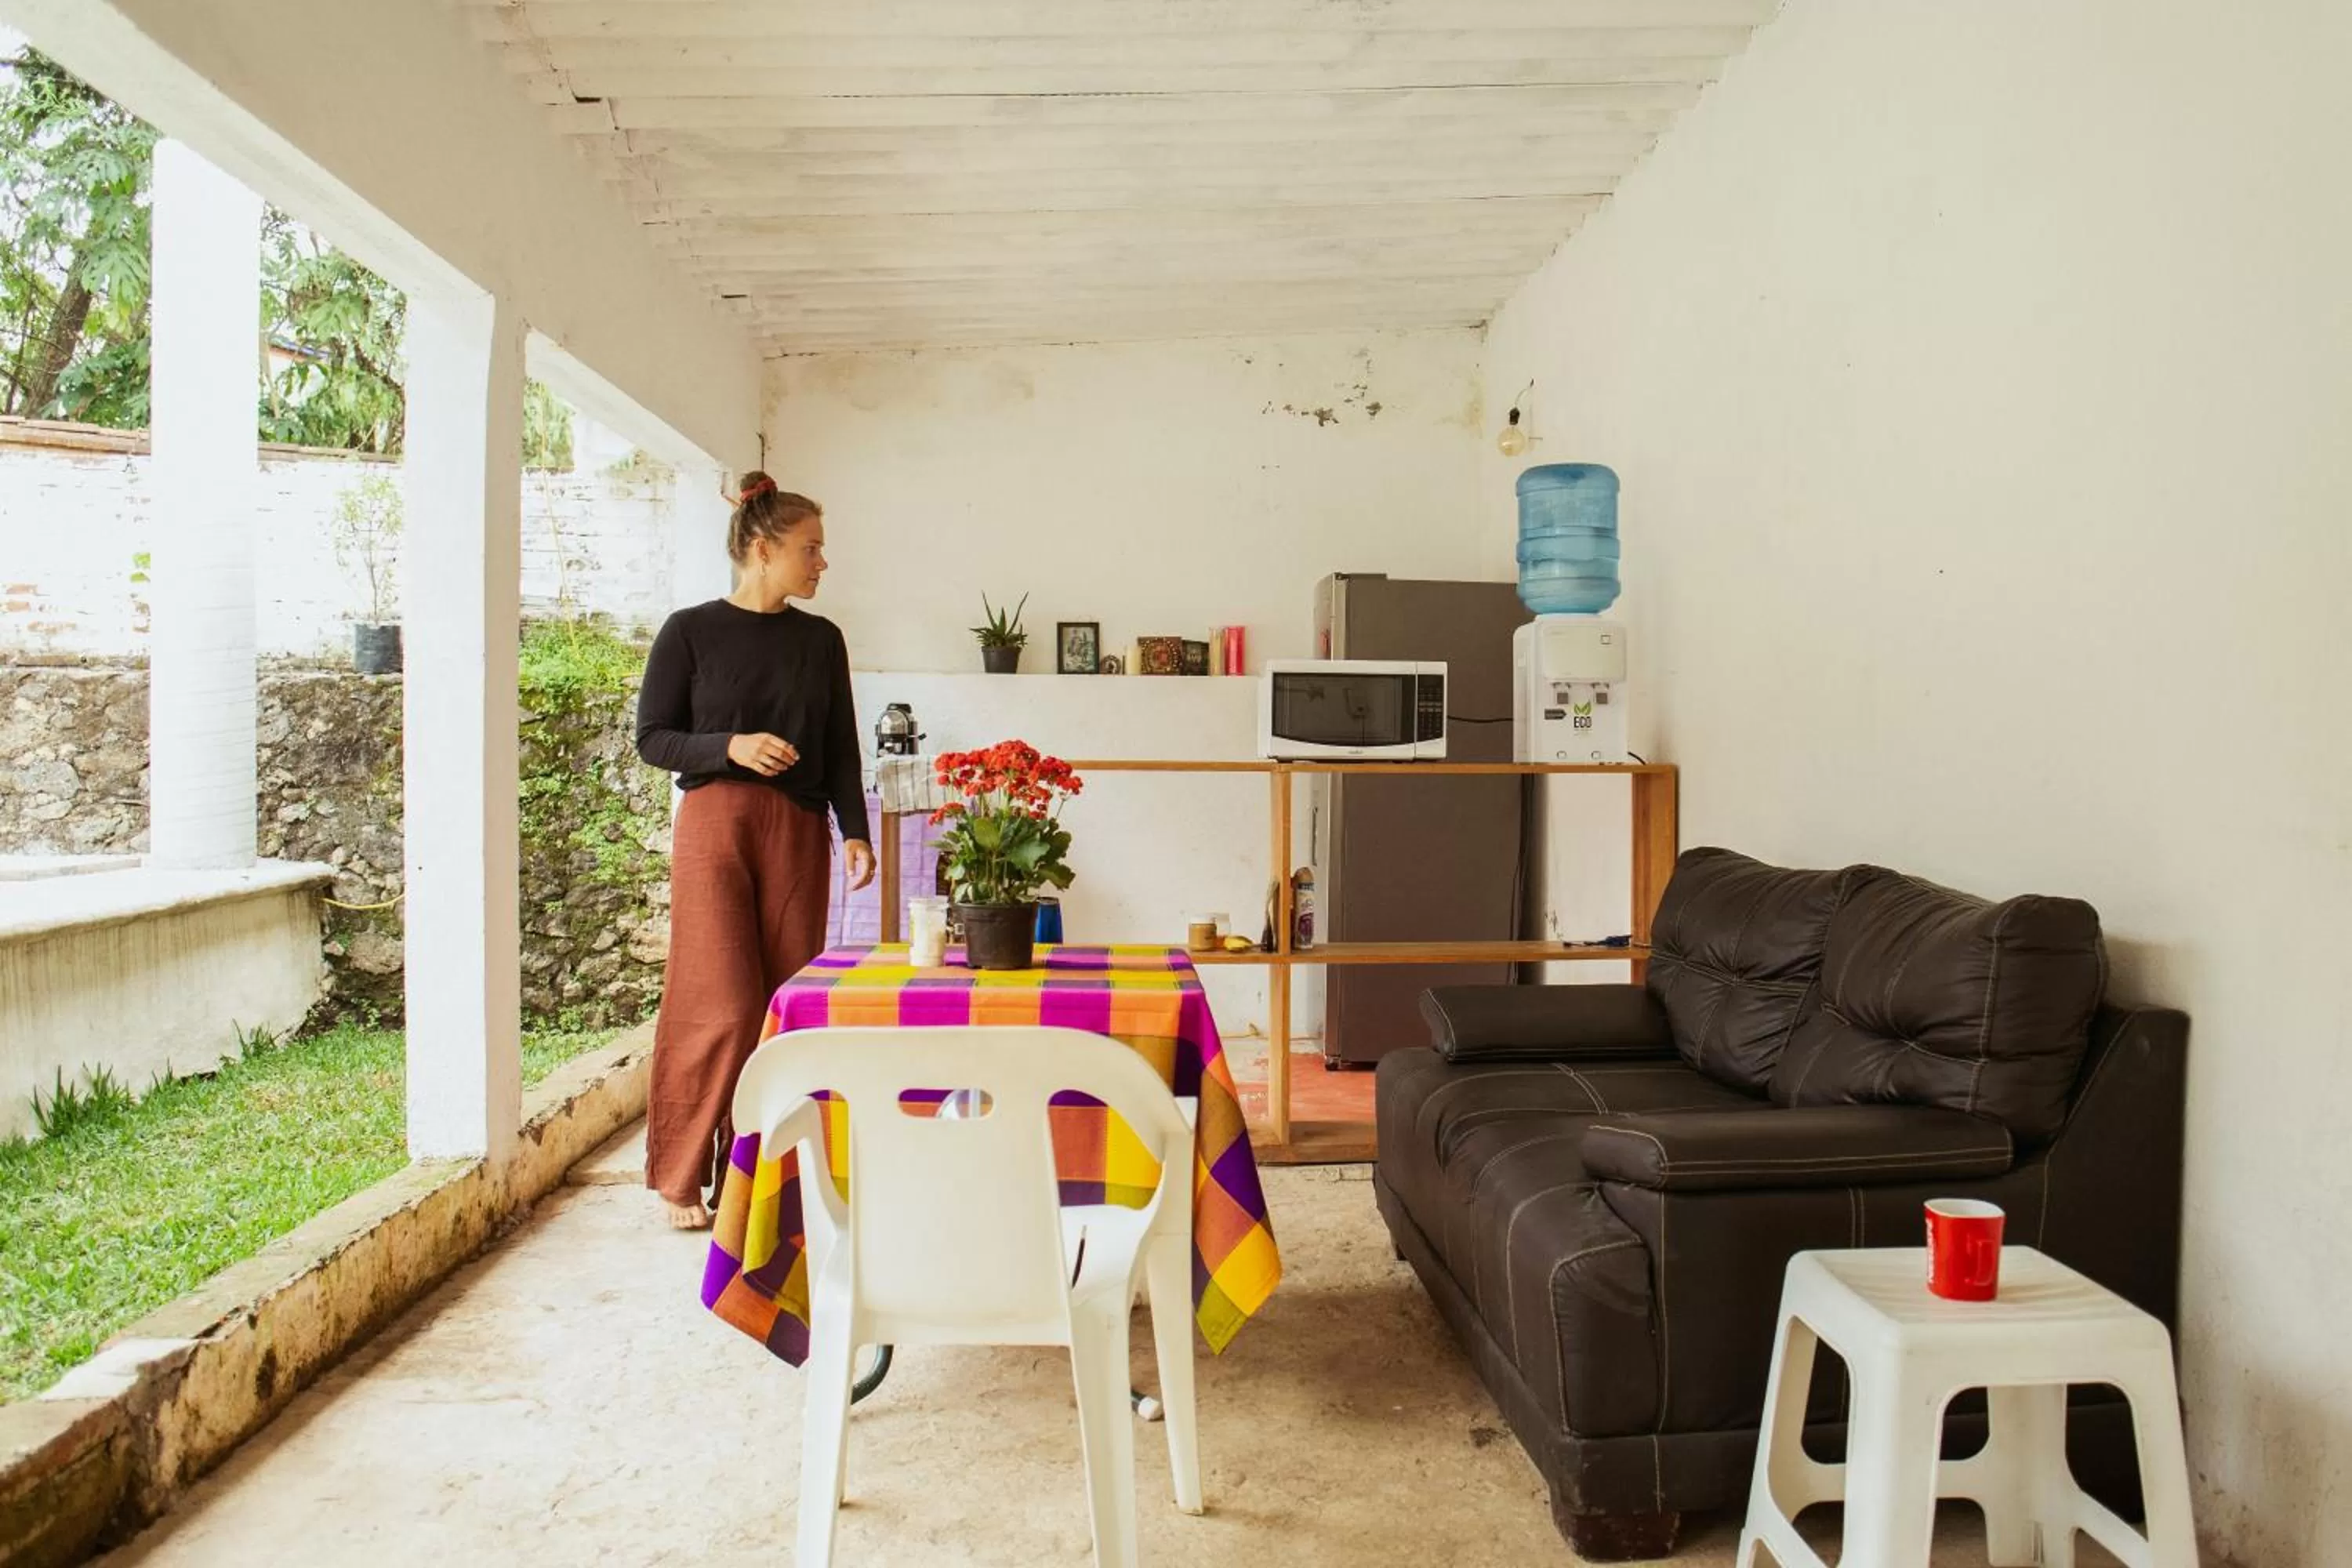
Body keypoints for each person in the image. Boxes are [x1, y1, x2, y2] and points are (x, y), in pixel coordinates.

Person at [634, 473, 876, 1229]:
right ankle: (681, 1176)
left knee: (784, 1004)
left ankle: (767, 1173)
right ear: (763, 550)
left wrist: (856, 828)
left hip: (798, 833)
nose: (822, 564)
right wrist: (729, 745)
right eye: (811, 549)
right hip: (715, 828)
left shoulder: (820, 640)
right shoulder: (689, 631)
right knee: (718, 1001)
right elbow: (652, 738)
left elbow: (840, 747)